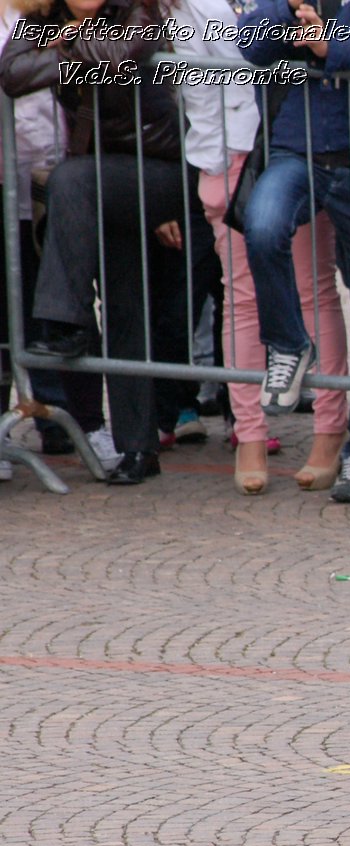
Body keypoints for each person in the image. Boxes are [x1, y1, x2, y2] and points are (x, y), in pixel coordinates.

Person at [0, 0, 197, 485]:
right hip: (98, 183)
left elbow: (119, 53)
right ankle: (137, 447)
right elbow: (11, 70)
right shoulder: (40, 20)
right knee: (127, 302)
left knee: (69, 179)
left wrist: (62, 46)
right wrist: (66, 43)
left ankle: (61, 320)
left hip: (160, 171)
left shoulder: (138, 11)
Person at [175, 0, 349, 495]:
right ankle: (249, 434)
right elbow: (195, 80)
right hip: (230, 156)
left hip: (293, 145)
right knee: (242, 299)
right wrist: (212, 167)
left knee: (314, 290)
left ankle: (330, 430)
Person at [236, 0, 350, 502]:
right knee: (261, 227)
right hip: (296, 152)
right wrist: (292, 18)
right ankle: (289, 343)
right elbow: (248, 41)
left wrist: (330, 45)